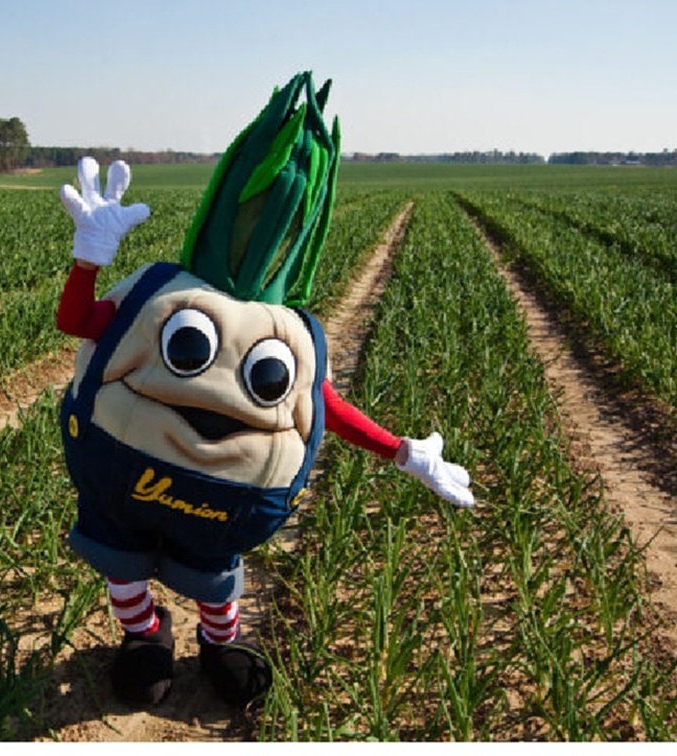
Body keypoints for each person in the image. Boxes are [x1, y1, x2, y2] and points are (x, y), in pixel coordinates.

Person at [54, 73, 474, 709]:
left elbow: (318, 406)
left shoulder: (279, 331)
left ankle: (219, 644)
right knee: (122, 561)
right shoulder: (164, 298)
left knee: (215, 581)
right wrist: (88, 260)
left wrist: (402, 451)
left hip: (203, 495)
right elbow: (79, 323)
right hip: (136, 483)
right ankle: (145, 637)